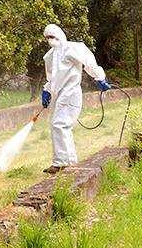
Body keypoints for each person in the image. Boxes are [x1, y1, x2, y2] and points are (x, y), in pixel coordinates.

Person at [40, 24, 110, 174]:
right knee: (59, 126)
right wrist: (46, 90)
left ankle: (64, 163)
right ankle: (65, 163)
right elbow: (51, 77)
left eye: (52, 37)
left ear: (59, 35)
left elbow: (88, 62)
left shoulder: (72, 48)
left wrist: (99, 78)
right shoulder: (50, 56)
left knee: (60, 124)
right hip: (59, 96)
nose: (50, 40)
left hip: (71, 93)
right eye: (47, 38)